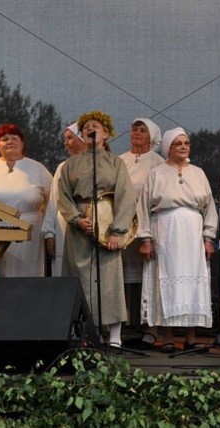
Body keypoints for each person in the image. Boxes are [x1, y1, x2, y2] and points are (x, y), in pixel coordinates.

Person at [57, 111, 135, 346]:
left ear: (106, 134)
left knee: (110, 278)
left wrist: (117, 230)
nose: (91, 129)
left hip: (107, 224)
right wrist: (76, 219)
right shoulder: (70, 165)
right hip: (80, 226)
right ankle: (86, 332)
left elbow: (125, 196)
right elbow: (63, 197)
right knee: (80, 279)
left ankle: (114, 335)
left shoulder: (116, 162)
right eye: (86, 127)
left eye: (96, 126)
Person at [137, 128, 217, 353]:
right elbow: (143, 207)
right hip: (165, 231)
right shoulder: (156, 173)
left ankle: (191, 337)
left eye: (186, 143)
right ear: (168, 148)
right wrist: (146, 239)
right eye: (178, 143)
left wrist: (208, 237)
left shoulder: (198, 173)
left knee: (192, 283)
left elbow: (209, 207)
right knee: (166, 280)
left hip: (193, 233)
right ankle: (168, 337)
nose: (183, 147)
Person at [0, 123, 52, 295]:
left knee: (29, 277)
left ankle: (29, 316)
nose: (10, 142)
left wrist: (50, 233)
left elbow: (52, 202)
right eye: (4, 139)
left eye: (14, 138)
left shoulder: (37, 169)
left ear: (22, 143)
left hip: (31, 233)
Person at [119, 118, 164, 348]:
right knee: (122, 276)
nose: (136, 132)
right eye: (134, 128)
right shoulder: (120, 161)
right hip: (122, 225)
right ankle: (123, 327)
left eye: (142, 129)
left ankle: (149, 329)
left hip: (148, 224)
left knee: (148, 275)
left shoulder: (158, 163)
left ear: (152, 135)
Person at [43, 123, 85, 276]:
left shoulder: (97, 165)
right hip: (64, 225)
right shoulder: (63, 166)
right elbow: (54, 201)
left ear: (81, 139)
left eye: (69, 138)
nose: (65, 142)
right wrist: (49, 234)